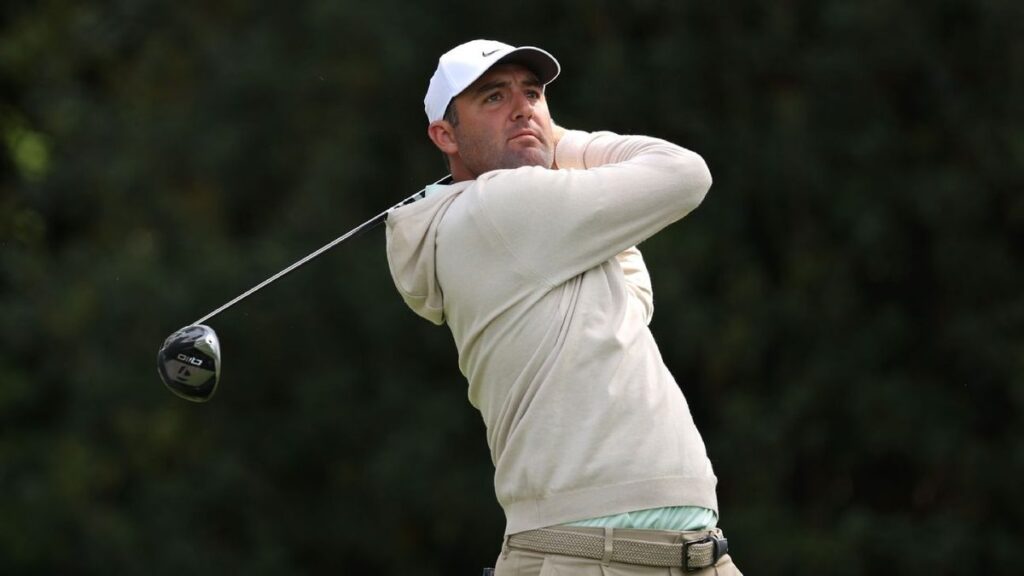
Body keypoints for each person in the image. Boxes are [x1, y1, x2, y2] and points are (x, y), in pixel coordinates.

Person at [385, 39, 741, 575]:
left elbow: (634, 303)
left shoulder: (537, 226)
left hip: (689, 555)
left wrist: (542, 146)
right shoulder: (498, 206)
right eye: (494, 97)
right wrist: (561, 141)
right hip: (588, 556)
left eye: (532, 94)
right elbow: (685, 173)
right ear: (445, 135)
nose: (522, 108)